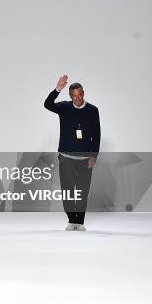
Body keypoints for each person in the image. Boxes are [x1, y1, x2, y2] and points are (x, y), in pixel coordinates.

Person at [44, 75, 100, 231]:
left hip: (85, 159)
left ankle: (80, 222)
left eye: (79, 94)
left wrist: (94, 156)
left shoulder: (92, 110)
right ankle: (71, 220)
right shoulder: (64, 107)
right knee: (67, 191)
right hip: (66, 158)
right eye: (74, 96)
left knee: (82, 191)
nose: (77, 98)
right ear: (70, 96)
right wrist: (57, 89)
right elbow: (47, 104)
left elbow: (96, 134)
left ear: (83, 93)